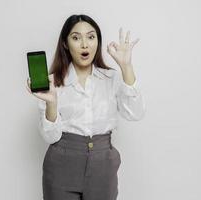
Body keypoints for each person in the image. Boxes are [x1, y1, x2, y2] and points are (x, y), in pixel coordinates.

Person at [26, 14, 145, 200]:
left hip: (103, 164)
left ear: (98, 41)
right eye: (76, 38)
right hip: (61, 165)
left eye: (91, 37)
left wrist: (126, 67)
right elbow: (51, 136)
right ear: (65, 44)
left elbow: (136, 113)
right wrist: (51, 102)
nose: (84, 44)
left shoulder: (111, 78)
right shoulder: (53, 82)